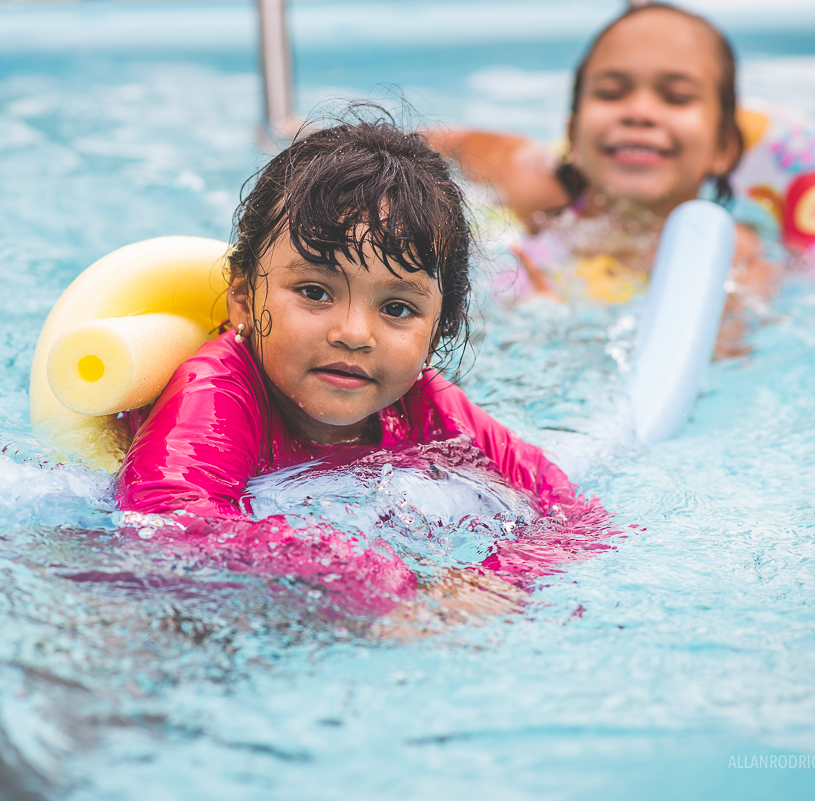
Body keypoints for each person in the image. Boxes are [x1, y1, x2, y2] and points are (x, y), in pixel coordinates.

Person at [115, 115, 611, 620]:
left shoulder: (423, 401)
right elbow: (166, 525)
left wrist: (494, 578)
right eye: (314, 292)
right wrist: (355, 572)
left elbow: (569, 510)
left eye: (397, 308)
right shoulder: (221, 390)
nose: (354, 333)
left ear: (437, 331)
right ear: (243, 299)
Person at [428, 3, 782, 357]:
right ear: (573, 135)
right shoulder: (537, 189)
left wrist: (551, 333)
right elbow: (444, 142)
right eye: (611, 93)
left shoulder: (729, 255)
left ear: (723, 146)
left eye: (676, 97)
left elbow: (704, 364)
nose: (639, 112)